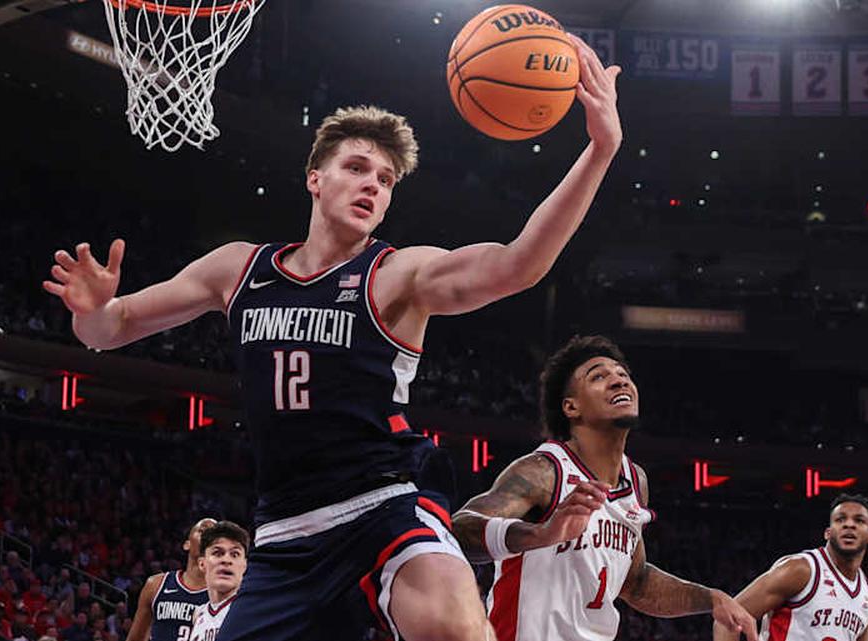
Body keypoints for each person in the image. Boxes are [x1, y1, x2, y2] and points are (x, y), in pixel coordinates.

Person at [45, 33, 623, 641]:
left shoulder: (397, 274)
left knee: (455, 628)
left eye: (386, 179)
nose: (373, 185)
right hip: (284, 534)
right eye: (356, 168)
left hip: (385, 504)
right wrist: (91, 310)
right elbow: (110, 331)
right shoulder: (238, 268)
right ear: (315, 178)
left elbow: (516, 265)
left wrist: (599, 150)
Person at [452, 335, 758, 641]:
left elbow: (636, 583)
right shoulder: (545, 471)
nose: (618, 381)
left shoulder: (635, 481)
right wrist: (541, 534)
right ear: (571, 407)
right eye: (598, 376)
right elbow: (459, 530)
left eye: (623, 375)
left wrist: (712, 598)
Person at [712, 494, 868, 641]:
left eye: (859, 520)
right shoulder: (801, 570)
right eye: (840, 519)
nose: (849, 525)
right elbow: (726, 620)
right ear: (827, 533)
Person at [124, 519, 215, 641]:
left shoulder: (225, 595)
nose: (208, 536)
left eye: (215, 534)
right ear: (187, 544)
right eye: (203, 531)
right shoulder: (156, 585)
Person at [189, 522, 249, 641]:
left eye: (235, 554)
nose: (226, 560)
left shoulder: (253, 610)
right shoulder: (199, 614)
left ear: (244, 565)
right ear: (202, 563)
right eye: (218, 553)